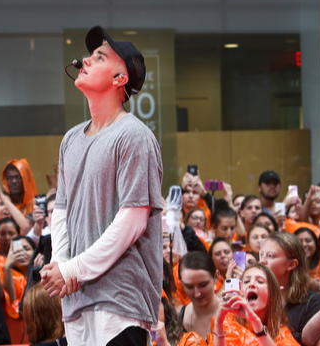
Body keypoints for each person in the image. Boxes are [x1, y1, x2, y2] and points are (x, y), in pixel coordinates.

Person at [41, 25, 163, 346]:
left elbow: (132, 221)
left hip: (120, 302)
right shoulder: (71, 139)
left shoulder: (134, 135)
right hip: (77, 302)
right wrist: (61, 263)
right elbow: (61, 210)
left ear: (120, 78)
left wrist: (72, 270)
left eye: (99, 57)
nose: (85, 60)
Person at [259, 232, 320, 344]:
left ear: (291, 264)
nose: (262, 261)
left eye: (270, 256)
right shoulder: (257, 298)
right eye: (261, 254)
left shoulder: (314, 302)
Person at [213, 263, 299, 346]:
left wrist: (255, 322)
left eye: (260, 281)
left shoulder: (282, 336)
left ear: (272, 294)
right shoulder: (227, 323)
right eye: (246, 281)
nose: (251, 284)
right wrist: (218, 323)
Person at [174, 251, 221, 345]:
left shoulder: (232, 315)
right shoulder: (177, 317)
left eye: (203, 285)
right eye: (189, 287)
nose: (197, 294)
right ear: (181, 284)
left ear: (216, 277)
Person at [295, 227, 320, 298]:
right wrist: (306, 283)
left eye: (308, 241)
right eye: (299, 242)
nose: (304, 244)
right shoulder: (289, 267)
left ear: (316, 244)